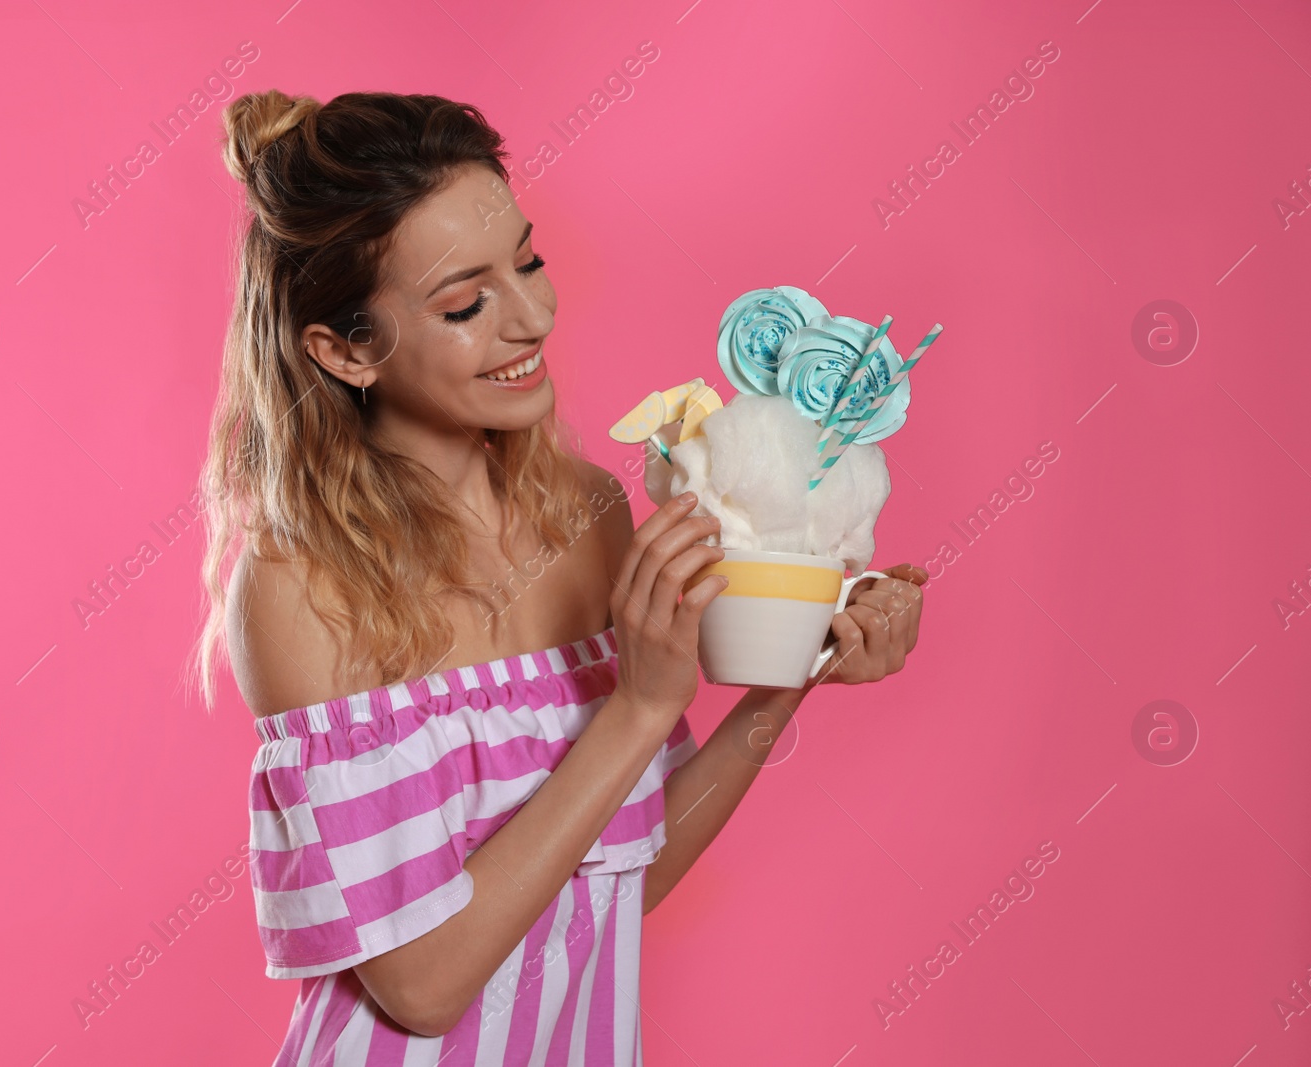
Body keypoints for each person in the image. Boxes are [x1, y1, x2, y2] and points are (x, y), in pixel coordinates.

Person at [192, 88, 927, 1066]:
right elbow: (421, 983)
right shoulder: (300, 587)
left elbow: (628, 868)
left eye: (527, 260)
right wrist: (637, 705)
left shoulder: (584, 513)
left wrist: (790, 668)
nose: (532, 314)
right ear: (344, 349)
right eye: (465, 302)